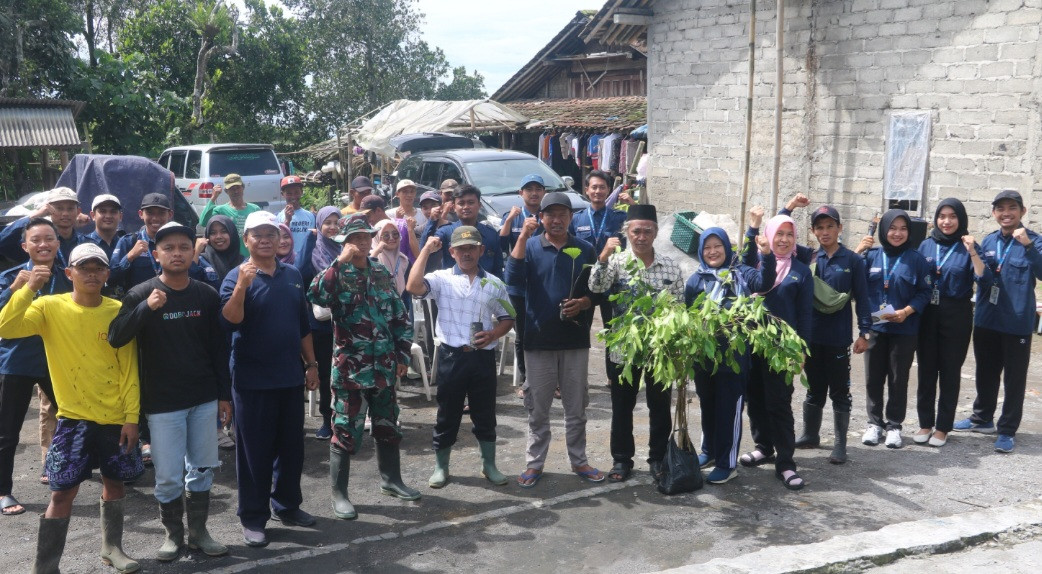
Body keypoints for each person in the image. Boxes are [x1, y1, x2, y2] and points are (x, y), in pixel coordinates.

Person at [0, 243, 142, 574]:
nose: (91, 274)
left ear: (107, 274)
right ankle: (46, 567)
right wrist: (28, 288)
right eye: (84, 268)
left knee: (115, 484)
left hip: (115, 418)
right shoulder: (49, 307)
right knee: (62, 493)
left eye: (98, 269)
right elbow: (6, 328)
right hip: (72, 420)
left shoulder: (118, 310)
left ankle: (112, 548)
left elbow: (129, 369)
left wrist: (132, 418)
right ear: (70, 273)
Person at [107, 222, 230, 561]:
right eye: (168, 248)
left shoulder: (205, 294)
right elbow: (116, 336)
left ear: (194, 251)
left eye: (183, 247)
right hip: (162, 404)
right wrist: (146, 307)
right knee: (168, 475)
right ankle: (173, 536)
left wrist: (224, 394)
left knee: (203, 467)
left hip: (203, 398)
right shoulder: (139, 292)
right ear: (155, 253)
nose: (177, 253)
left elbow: (218, 349)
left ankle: (199, 532)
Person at [307, 214, 420, 520]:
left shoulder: (381, 272)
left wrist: (401, 356)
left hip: (383, 366)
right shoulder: (336, 273)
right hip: (350, 371)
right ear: (344, 243)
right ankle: (340, 494)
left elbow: (399, 316)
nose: (361, 243)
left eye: (365, 237)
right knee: (344, 429)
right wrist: (339, 263)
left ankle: (391, 480)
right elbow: (316, 294)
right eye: (354, 238)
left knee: (387, 424)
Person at [220, 210, 320, 547]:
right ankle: (253, 516)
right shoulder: (236, 276)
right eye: (257, 235)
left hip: (289, 377)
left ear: (280, 239)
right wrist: (243, 288)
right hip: (252, 381)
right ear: (246, 240)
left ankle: (287, 505)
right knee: (254, 455)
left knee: (291, 450)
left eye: (271, 234)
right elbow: (230, 321)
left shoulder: (292, 274)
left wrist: (311, 364)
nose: (265, 240)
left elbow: (302, 324)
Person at [506, 192, 605, 487]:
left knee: (576, 408)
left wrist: (584, 303)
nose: (557, 219)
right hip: (538, 339)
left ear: (571, 218)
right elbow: (512, 278)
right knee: (538, 408)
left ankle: (579, 461)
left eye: (563, 214)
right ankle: (534, 463)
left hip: (574, 340)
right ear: (541, 218)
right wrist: (523, 237)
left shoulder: (585, 249)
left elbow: (597, 290)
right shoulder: (531, 246)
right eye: (551, 214)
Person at [406, 226, 514, 488]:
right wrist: (425, 252)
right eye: (461, 249)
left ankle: (489, 465)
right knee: (447, 414)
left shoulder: (494, 283)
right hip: (451, 357)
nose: (466, 253)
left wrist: (493, 335)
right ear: (452, 252)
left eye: (471, 248)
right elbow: (413, 286)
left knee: (485, 413)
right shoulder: (442, 278)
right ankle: (441, 466)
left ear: (481, 250)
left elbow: (508, 318)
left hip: (482, 358)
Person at [588, 205, 684, 483]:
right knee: (622, 405)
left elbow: (679, 306)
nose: (641, 236)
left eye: (647, 231)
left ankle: (657, 458)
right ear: (627, 232)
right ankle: (621, 459)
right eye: (636, 231)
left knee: (659, 404)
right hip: (623, 349)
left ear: (655, 233)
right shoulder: (617, 263)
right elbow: (596, 287)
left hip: (659, 349)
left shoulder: (670, 267)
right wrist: (604, 256)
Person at [954, 190, 1042, 453]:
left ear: (1022, 212)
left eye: (1012, 208)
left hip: (1017, 323)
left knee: (1014, 380)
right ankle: (982, 418)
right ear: (994, 213)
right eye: (1001, 209)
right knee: (985, 373)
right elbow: (982, 276)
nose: (1006, 213)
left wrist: (1027, 245)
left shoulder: (1035, 241)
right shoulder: (990, 241)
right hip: (986, 320)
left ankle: (1006, 430)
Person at [686, 228, 775, 484]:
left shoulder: (742, 275)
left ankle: (727, 463)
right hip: (705, 358)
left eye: (717, 246)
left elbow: (765, 283)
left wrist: (766, 254)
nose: (712, 252)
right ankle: (709, 452)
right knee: (708, 406)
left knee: (729, 410)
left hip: (733, 359)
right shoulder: (697, 280)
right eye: (707, 248)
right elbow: (689, 313)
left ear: (726, 247)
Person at [0, 219, 73, 517]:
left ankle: (62, 469)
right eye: (36, 240)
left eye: (49, 239)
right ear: (24, 246)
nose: (43, 244)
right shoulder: (9, 276)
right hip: (15, 360)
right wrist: (18, 288)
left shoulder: (69, 275)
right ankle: (3, 490)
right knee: (7, 432)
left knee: (73, 418)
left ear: (58, 243)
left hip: (56, 359)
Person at [741, 209, 814, 491]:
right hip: (752, 344)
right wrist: (752, 227)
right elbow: (743, 255)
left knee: (779, 403)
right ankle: (763, 447)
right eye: (779, 234)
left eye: (789, 235)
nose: (783, 240)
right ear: (769, 236)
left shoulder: (801, 272)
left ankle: (785, 462)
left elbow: (806, 314)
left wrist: (802, 350)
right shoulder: (756, 264)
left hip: (783, 349)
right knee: (755, 398)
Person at [793, 205, 872, 465]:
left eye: (830, 226)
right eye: (819, 227)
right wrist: (790, 206)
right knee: (814, 389)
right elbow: (780, 236)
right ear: (813, 231)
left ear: (840, 228)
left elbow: (862, 298)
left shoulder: (853, 260)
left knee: (839, 391)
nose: (825, 232)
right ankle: (810, 434)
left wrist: (864, 333)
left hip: (838, 337)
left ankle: (840, 445)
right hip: (812, 337)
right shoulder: (810, 257)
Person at [860, 209, 932, 450]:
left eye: (903, 228)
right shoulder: (871, 256)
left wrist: (906, 311)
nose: (897, 233)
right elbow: (852, 283)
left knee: (898, 379)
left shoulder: (916, 259)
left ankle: (894, 426)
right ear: (884, 230)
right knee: (873, 378)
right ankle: (874, 423)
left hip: (905, 328)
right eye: (892, 228)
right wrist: (859, 250)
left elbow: (925, 292)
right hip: (875, 327)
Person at [914, 199, 975, 448]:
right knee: (926, 370)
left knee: (950, 372)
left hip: (956, 314)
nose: (947, 221)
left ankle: (943, 427)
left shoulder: (968, 246)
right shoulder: (925, 245)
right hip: (927, 312)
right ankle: (925, 423)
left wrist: (973, 251)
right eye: (942, 216)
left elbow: (984, 277)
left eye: (952, 216)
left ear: (960, 220)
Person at [498, 174, 547, 395]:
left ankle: (549, 380)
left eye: (538, 189)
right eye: (529, 189)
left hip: (543, 282)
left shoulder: (549, 216)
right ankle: (526, 380)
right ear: (521, 193)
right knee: (523, 334)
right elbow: (501, 244)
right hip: (518, 284)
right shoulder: (513, 216)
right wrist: (509, 220)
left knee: (546, 329)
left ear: (544, 193)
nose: (534, 193)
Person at [297, 206, 343, 441]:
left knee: (344, 373)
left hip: (345, 321)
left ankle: (347, 418)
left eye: (336, 222)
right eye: (328, 222)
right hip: (320, 324)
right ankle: (327, 420)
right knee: (325, 373)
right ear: (319, 225)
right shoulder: (313, 251)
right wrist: (308, 239)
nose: (333, 227)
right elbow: (301, 271)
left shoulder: (345, 248)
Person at [423, 184, 503, 276]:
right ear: (454, 207)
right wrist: (432, 221)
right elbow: (425, 250)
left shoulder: (491, 234)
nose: (466, 207)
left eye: (471, 202)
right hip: (452, 287)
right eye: (461, 203)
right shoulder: (446, 232)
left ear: (479, 205)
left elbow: (498, 269)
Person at [0, 187, 87, 266]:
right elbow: (2, 242)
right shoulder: (37, 244)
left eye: (70, 209)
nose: (65, 214)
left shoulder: (85, 242)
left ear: (78, 211)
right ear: (48, 209)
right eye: (59, 208)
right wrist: (33, 217)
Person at [200, 174, 262, 256]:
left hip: (251, 257)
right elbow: (203, 222)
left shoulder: (254, 209)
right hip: (230, 258)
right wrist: (213, 197)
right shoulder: (220, 210)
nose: (236, 191)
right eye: (232, 189)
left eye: (238, 188)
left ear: (243, 188)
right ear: (226, 191)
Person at [196, 215, 244, 292]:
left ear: (232, 234)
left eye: (224, 231)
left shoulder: (244, 263)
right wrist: (196, 252)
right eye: (213, 233)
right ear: (208, 236)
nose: (218, 236)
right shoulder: (201, 261)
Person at [276, 175, 315, 262]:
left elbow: (311, 240)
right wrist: (287, 220)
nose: (293, 196)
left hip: (306, 259)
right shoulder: (279, 217)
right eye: (289, 193)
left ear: (301, 192)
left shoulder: (310, 216)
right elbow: (279, 240)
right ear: (283, 194)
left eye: (296, 192)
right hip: (287, 260)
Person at [88, 194, 126, 258]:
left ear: (120, 216)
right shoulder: (83, 244)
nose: (108, 216)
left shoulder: (127, 245)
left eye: (113, 212)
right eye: (102, 211)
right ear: (93, 215)